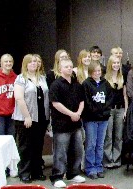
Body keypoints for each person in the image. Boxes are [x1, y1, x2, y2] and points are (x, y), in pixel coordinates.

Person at [12, 54, 50, 183]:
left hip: (41, 118)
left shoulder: (42, 78)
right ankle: (24, 172)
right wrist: (27, 116)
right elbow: (19, 98)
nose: (33, 63)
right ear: (25, 64)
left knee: (38, 146)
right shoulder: (20, 79)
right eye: (30, 62)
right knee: (25, 147)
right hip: (25, 118)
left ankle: (36, 171)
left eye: (35, 61)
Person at [49, 59, 86, 188]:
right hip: (61, 124)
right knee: (61, 152)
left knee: (77, 150)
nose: (69, 68)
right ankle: (57, 176)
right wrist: (71, 114)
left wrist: (78, 114)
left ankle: (73, 173)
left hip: (76, 124)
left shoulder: (77, 85)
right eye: (66, 67)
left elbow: (82, 100)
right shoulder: (56, 85)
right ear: (60, 69)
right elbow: (56, 103)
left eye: (71, 66)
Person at [82, 61, 113, 179]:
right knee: (91, 144)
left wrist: (104, 111)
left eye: (99, 71)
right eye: (95, 71)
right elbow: (87, 101)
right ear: (90, 72)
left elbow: (110, 99)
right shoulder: (86, 84)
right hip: (91, 119)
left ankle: (99, 166)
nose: (97, 73)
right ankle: (90, 168)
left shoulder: (106, 83)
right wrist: (96, 111)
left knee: (100, 144)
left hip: (104, 119)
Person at [103, 55, 128, 168]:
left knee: (118, 136)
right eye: (114, 63)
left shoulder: (122, 77)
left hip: (120, 109)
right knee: (108, 136)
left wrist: (126, 110)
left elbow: (125, 95)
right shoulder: (105, 78)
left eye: (118, 63)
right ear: (110, 64)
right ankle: (108, 160)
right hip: (109, 110)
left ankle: (116, 159)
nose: (116, 65)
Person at [0, 54, 17, 135]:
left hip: (12, 115)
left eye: (10, 61)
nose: (8, 63)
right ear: (1, 63)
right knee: (0, 142)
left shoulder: (16, 78)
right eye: (6, 61)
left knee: (10, 141)